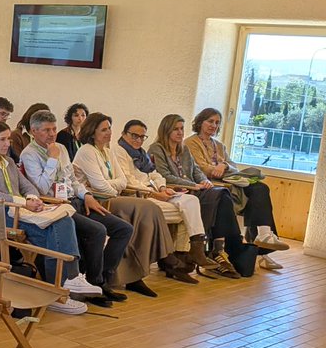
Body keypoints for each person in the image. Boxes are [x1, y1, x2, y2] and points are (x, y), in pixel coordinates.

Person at [0, 122, 87, 315]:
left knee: (63, 221)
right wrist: (23, 203)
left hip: (19, 212)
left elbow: (28, 186)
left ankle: (57, 289)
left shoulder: (7, 161)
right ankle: (62, 287)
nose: (8, 143)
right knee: (56, 235)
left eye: (8, 138)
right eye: (3, 139)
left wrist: (32, 199)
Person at [21, 110, 133, 304]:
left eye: (54, 129)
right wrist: (52, 159)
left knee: (123, 228)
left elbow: (72, 180)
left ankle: (101, 279)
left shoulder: (62, 148)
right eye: (46, 130)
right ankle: (93, 283)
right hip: (56, 207)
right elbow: (40, 188)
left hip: (76, 201)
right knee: (97, 230)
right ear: (33, 131)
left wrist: (87, 195)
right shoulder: (29, 154)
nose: (52, 134)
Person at [72, 113, 187, 294]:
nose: (109, 132)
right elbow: (102, 186)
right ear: (92, 132)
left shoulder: (107, 150)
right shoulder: (86, 150)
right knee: (147, 208)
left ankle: (137, 273)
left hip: (114, 197)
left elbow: (123, 181)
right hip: (99, 199)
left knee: (148, 211)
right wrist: (114, 185)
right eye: (104, 129)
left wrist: (114, 185)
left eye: (109, 128)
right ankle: (163, 258)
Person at [148, 114, 263, 274]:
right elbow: (165, 175)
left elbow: (196, 170)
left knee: (222, 194)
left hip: (194, 188)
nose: (180, 133)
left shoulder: (183, 148)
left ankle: (216, 248)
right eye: (176, 129)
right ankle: (225, 246)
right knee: (221, 195)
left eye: (181, 128)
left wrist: (204, 181)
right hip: (176, 189)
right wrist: (195, 185)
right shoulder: (157, 148)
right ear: (166, 130)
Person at [185, 107, 288, 254]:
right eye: (210, 121)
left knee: (260, 188)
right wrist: (218, 168)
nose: (214, 125)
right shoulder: (190, 143)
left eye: (217, 122)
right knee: (250, 198)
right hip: (210, 185)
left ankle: (264, 234)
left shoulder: (219, 145)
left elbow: (234, 167)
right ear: (200, 122)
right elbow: (202, 168)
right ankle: (261, 252)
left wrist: (224, 165)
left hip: (229, 181)